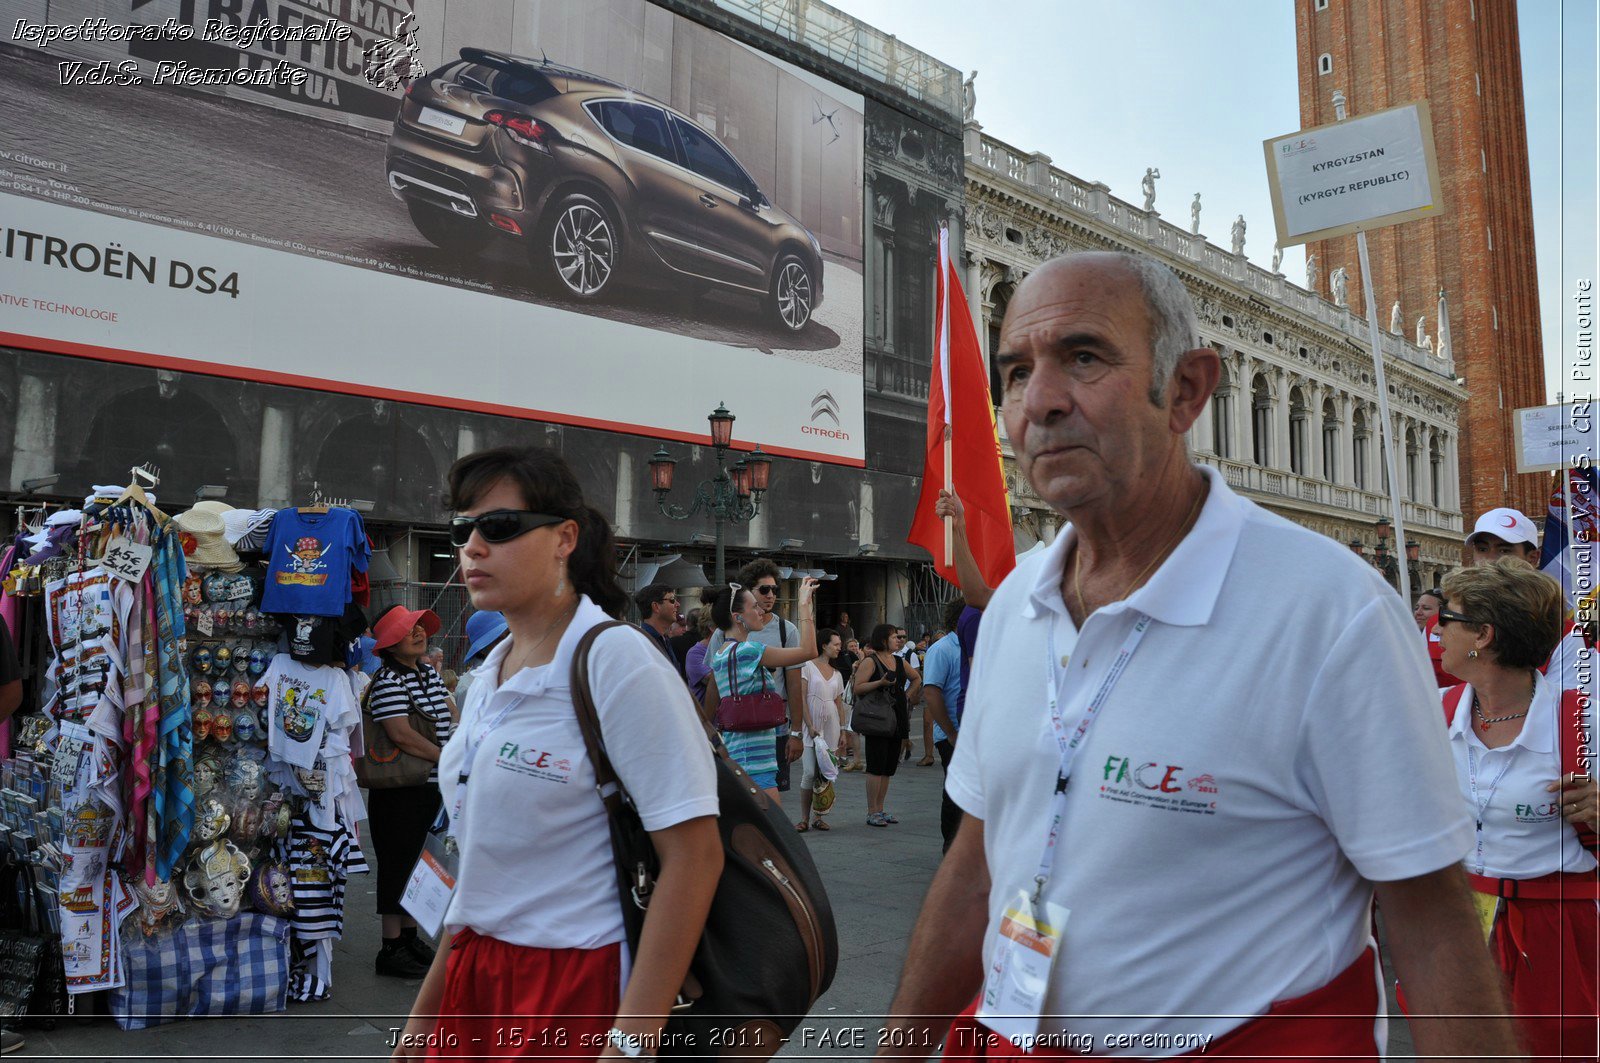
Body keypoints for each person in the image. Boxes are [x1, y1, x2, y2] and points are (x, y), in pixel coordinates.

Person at [879, 251, 1517, 1058]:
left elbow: (1431, 928)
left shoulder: (1332, 612)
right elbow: (976, 867)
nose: (1038, 400)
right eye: (1013, 372)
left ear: (1185, 391)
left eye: (1083, 356)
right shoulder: (1014, 605)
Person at [393, 446, 721, 1060]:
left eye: (499, 527)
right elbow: (473, 874)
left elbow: (696, 856)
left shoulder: (616, 659)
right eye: (463, 529)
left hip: (573, 983)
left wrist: (630, 1042)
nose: (473, 547)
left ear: (565, 537)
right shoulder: (489, 673)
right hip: (473, 975)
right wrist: (422, 1021)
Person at [1435, 559, 1598, 1060]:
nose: (1435, 629)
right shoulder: (1431, 708)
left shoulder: (1583, 717)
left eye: (1448, 617)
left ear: (1483, 634)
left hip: (1559, 931)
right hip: (1461, 923)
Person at [367, 604, 458, 980]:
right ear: (390, 644)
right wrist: (445, 757)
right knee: (396, 862)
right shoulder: (389, 680)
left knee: (419, 864)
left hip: (428, 785)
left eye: (420, 627)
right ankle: (390, 947)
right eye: (409, 630)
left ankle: (409, 937)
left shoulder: (425, 674)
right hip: (400, 788)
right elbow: (400, 734)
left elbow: (451, 712)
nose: (419, 633)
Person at [704, 578, 820, 809]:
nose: (761, 610)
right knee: (774, 833)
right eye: (754, 606)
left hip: (743, 754)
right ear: (738, 617)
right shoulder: (748, 651)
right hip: (753, 762)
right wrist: (805, 605)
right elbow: (809, 651)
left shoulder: (723, 651)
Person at [853, 624, 919, 828]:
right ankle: (872, 811)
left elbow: (916, 678)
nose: (898, 640)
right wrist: (880, 683)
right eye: (894, 637)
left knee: (889, 767)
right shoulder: (871, 661)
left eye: (899, 638)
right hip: (877, 718)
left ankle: (880, 808)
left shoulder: (899, 661)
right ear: (883, 640)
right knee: (876, 765)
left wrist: (906, 696)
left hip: (897, 717)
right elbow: (858, 688)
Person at [920, 599, 967, 853]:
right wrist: (950, 733)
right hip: (953, 734)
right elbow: (931, 692)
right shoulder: (943, 649)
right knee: (956, 792)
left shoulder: (977, 645)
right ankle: (951, 846)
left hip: (973, 733)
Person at [797, 628, 846, 832]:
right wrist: (808, 724)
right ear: (824, 645)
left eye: (839, 645)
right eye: (835, 644)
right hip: (811, 726)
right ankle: (804, 818)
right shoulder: (807, 666)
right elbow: (801, 696)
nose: (838, 648)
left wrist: (843, 730)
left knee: (825, 773)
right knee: (809, 772)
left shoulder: (837, 673)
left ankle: (819, 817)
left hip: (831, 726)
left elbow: (839, 702)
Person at [453, 609, 507, 711]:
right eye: (498, 639)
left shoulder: (513, 673)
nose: (506, 643)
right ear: (482, 649)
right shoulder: (469, 687)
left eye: (508, 636)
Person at [632, 582, 680, 667]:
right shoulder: (643, 642)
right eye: (672, 600)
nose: (677, 605)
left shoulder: (664, 639)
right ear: (656, 606)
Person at [837, 637, 863, 771]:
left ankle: (849, 757)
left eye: (855, 645)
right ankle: (845, 756)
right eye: (850, 646)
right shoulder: (836, 658)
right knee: (846, 727)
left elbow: (858, 676)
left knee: (848, 727)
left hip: (848, 695)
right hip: (839, 693)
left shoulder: (853, 657)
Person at [682, 607, 716, 706]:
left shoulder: (730, 649)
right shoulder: (695, 653)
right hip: (707, 719)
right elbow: (714, 682)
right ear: (712, 627)